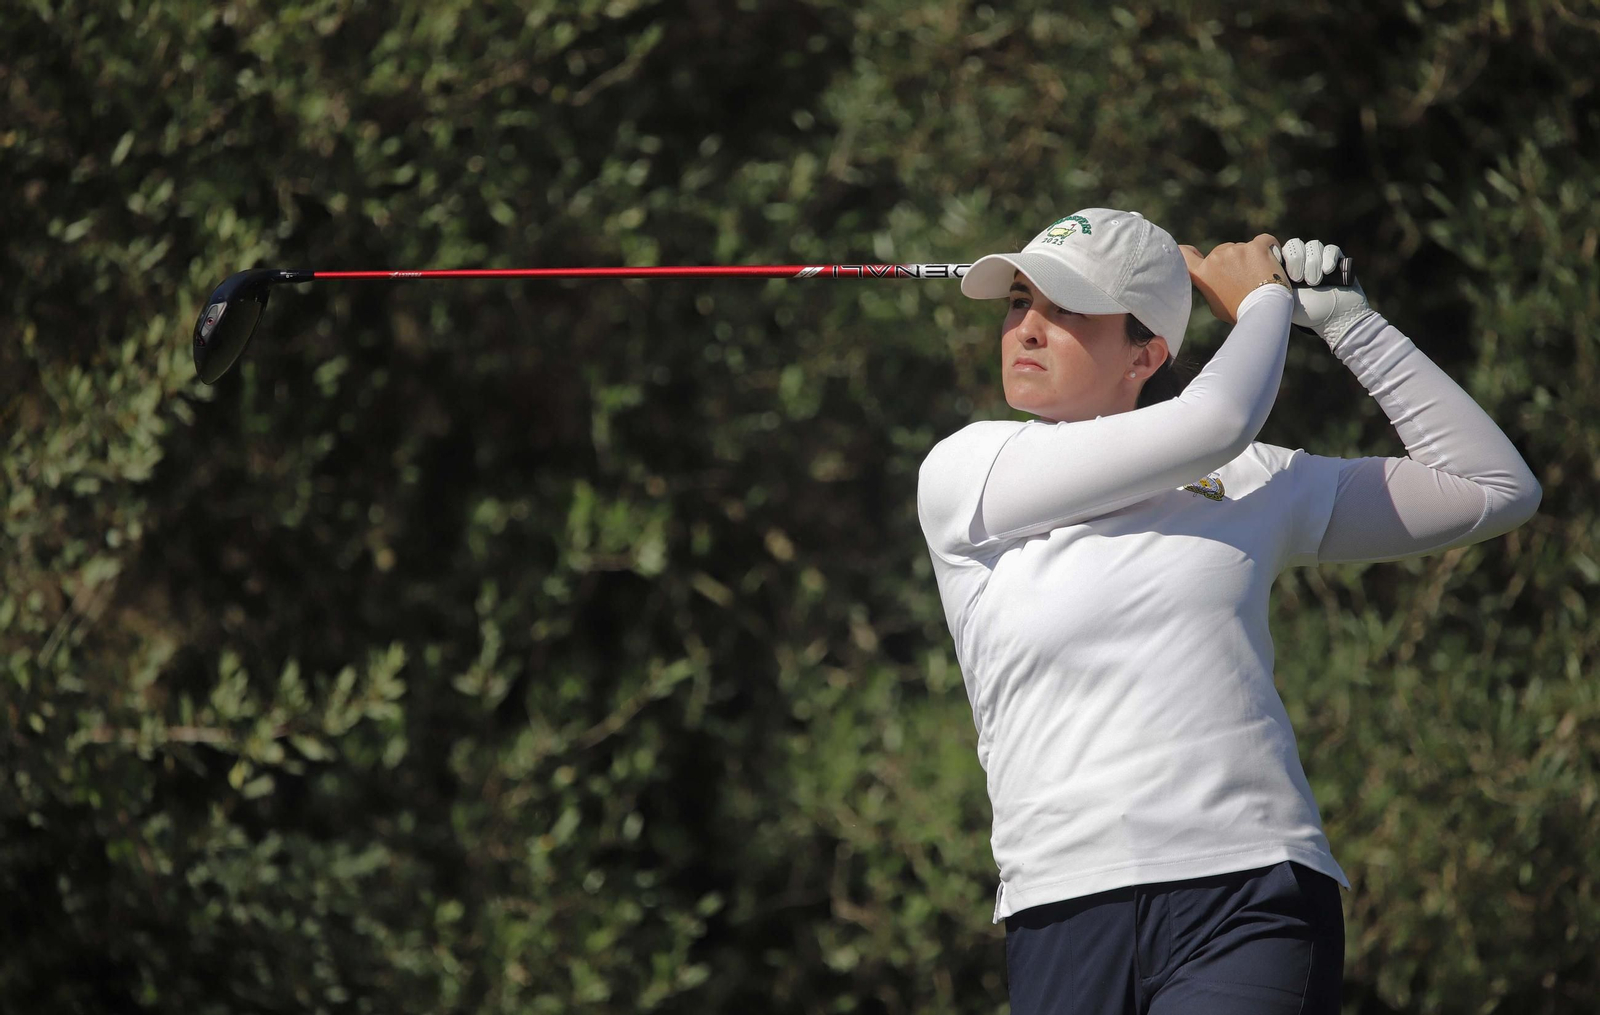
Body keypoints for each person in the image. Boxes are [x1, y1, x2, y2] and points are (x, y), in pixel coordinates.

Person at [916, 208, 1542, 1014]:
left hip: (1249, 894)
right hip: (1063, 908)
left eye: (1065, 309)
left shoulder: (1250, 478)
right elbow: (1210, 419)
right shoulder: (968, 470)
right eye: (1018, 304)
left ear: (1145, 352)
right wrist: (1264, 301)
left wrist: (1352, 324)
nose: (1028, 329)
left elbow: (1494, 490)